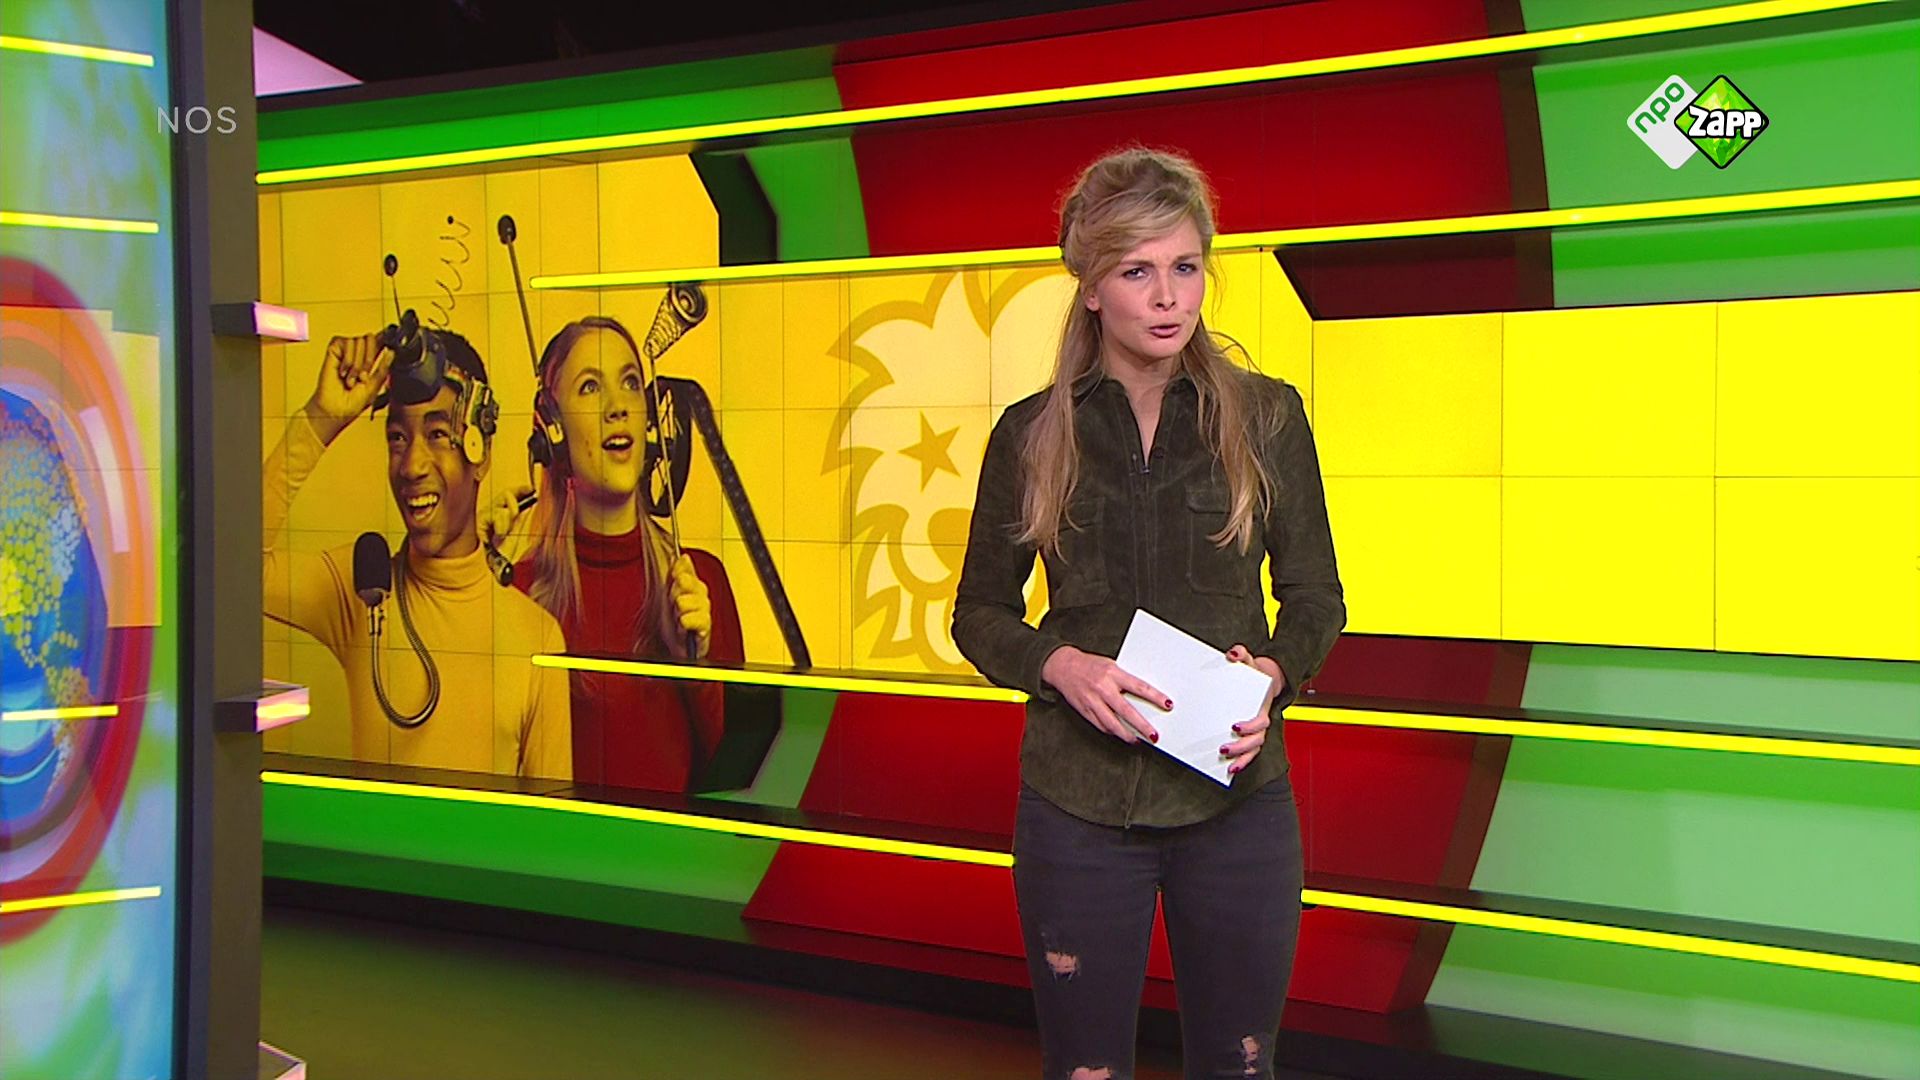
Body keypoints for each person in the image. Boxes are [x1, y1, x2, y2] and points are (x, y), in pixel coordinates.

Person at [951, 148, 1345, 1080]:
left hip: (1235, 801)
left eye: (1186, 267)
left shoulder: (1267, 416)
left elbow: (1317, 598)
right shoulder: (1030, 433)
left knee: (1239, 1067)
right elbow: (979, 613)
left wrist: (1275, 674)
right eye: (1137, 271)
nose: (1169, 298)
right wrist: (1059, 665)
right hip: (1078, 807)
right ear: (1090, 287)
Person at [263, 328, 572, 779]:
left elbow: (550, 818)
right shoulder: (361, 588)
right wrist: (320, 419)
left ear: (479, 451)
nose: (411, 466)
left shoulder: (536, 638)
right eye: (397, 438)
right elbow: (228, 570)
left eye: (437, 434)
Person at [504, 315, 744, 792]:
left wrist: (695, 668)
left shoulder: (700, 582)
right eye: (590, 388)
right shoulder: (517, 592)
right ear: (552, 430)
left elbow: (742, 781)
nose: (617, 408)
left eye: (630, 383)